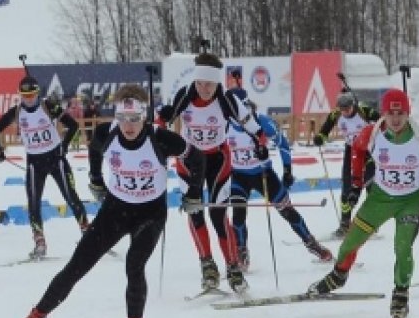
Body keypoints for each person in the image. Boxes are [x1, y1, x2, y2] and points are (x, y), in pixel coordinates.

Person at [0, 85, 206, 318]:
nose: (128, 126)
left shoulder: (161, 139)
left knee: (134, 264)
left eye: (134, 119)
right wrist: (95, 179)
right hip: (115, 210)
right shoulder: (108, 133)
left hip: (150, 213)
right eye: (122, 118)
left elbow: (197, 157)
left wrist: (194, 192)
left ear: (145, 117)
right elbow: (94, 149)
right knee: (76, 265)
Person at [308, 89, 419, 318]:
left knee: (402, 247)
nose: (396, 119)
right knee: (350, 242)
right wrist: (356, 184)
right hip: (380, 199)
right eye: (390, 113)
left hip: (411, 201)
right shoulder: (372, 133)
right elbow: (356, 150)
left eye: (401, 113)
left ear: (408, 113)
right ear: (384, 114)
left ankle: (400, 294)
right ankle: (338, 276)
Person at [157, 53, 267, 294]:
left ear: (217, 82)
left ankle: (233, 267)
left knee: (218, 215)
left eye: (209, 83)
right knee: (195, 212)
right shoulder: (185, 96)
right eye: (200, 83)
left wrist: (260, 142)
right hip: (189, 160)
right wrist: (160, 134)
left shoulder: (226, 100)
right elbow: (163, 120)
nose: (204, 88)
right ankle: (207, 264)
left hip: (218, 159)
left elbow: (252, 125)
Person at [225, 90, 333, 268]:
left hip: (263, 174)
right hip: (238, 176)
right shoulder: (225, 124)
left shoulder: (261, 122)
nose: (244, 115)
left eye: (246, 109)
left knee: (287, 212)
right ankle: (241, 251)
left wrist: (287, 170)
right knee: (238, 214)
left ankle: (312, 244)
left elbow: (282, 143)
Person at [0, 75, 89, 259]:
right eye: (25, 95)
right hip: (35, 162)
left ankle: (87, 235)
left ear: (37, 94)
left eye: (32, 95)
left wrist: (64, 147)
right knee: (34, 203)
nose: (29, 99)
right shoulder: (17, 112)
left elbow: (73, 126)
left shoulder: (48, 107)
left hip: (56, 159)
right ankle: (39, 243)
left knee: (71, 196)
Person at [313, 91, 380, 237]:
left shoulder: (364, 111)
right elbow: (325, 130)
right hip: (351, 150)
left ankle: (372, 222)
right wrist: (319, 138)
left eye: (347, 109)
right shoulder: (336, 114)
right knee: (347, 187)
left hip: (369, 150)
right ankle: (345, 224)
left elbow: (383, 121)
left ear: (353, 105)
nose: (345, 112)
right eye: (342, 109)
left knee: (369, 186)